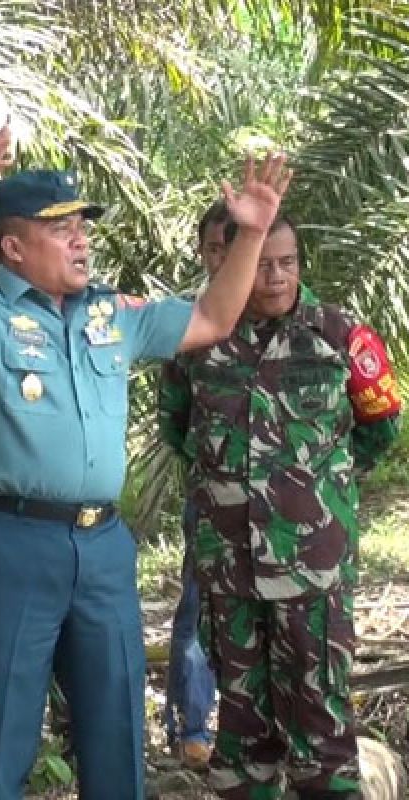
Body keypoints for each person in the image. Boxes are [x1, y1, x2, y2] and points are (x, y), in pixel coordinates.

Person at [0, 127, 291, 799]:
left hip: (104, 545)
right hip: (12, 541)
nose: (81, 238)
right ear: (13, 247)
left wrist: (251, 236)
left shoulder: (113, 313)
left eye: (83, 225)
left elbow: (211, 319)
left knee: (117, 726)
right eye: (61, 229)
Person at [159, 216, 400, 800]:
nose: (275, 277)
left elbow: (380, 429)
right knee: (242, 730)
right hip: (231, 570)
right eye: (262, 263)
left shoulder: (339, 334)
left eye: (287, 262)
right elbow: (178, 428)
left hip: (312, 571)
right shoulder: (198, 340)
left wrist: (318, 490)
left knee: (323, 728)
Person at [160, 200, 231, 769]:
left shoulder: (307, 326)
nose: (224, 258)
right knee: (198, 610)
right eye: (213, 248)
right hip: (212, 503)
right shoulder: (190, 334)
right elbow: (175, 422)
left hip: (294, 515)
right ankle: (192, 727)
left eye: (234, 245)